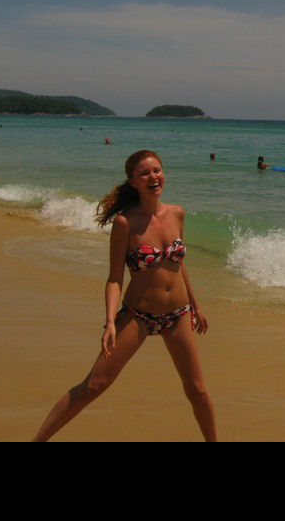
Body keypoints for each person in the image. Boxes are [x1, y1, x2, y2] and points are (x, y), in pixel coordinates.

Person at [33, 149, 216, 442]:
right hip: (139, 315)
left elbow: (179, 264)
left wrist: (196, 306)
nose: (153, 177)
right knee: (94, 385)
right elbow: (115, 278)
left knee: (198, 391)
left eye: (157, 170)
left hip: (178, 314)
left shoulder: (177, 213)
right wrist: (110, 322)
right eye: (145, 173)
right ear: (132, 181)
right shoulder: (125, 223)